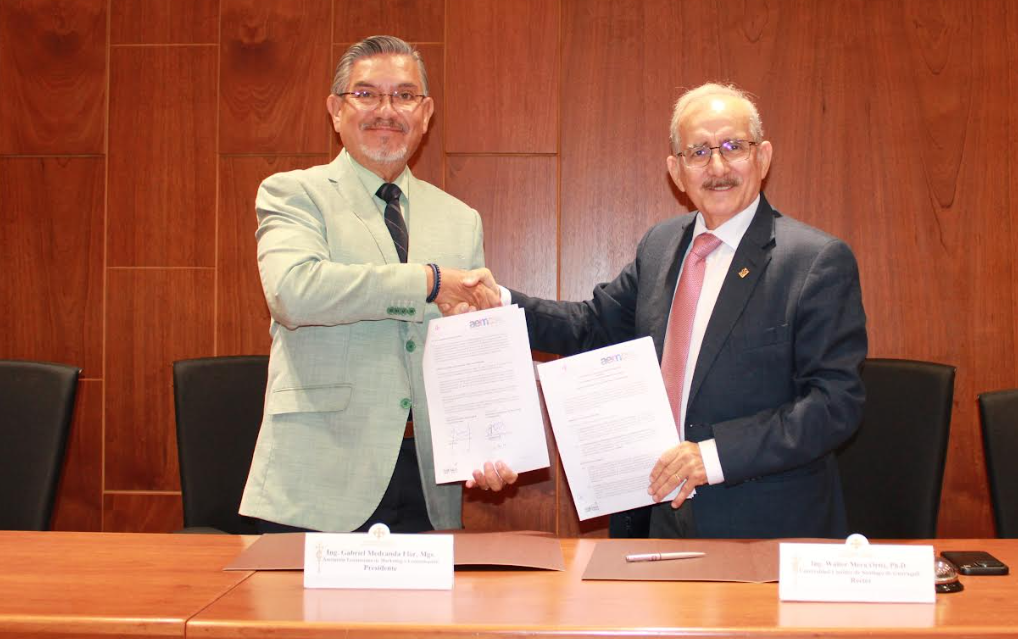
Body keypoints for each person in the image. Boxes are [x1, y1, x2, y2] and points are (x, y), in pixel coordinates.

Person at [505, 83, 867, 539]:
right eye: (698, 152)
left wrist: (711, 457)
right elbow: (590, 326)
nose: (717, 167)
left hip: (761, 529)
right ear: (676, 171)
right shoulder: (660, 247)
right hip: (655, 516)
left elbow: (834, 405)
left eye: (733, 147)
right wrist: (497, 303)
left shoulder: (815, 261)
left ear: (763, 157)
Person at [240, 35, 512, 534]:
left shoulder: (460, 220)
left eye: (404, 96)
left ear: (425, 114)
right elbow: (294, 292)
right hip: (318, 481)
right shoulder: (293, 193)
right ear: (335, 110)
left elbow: (469, 351)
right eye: (366, 94)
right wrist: (428, 282)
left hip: (428, 482)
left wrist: (490, 445)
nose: (386, 110)